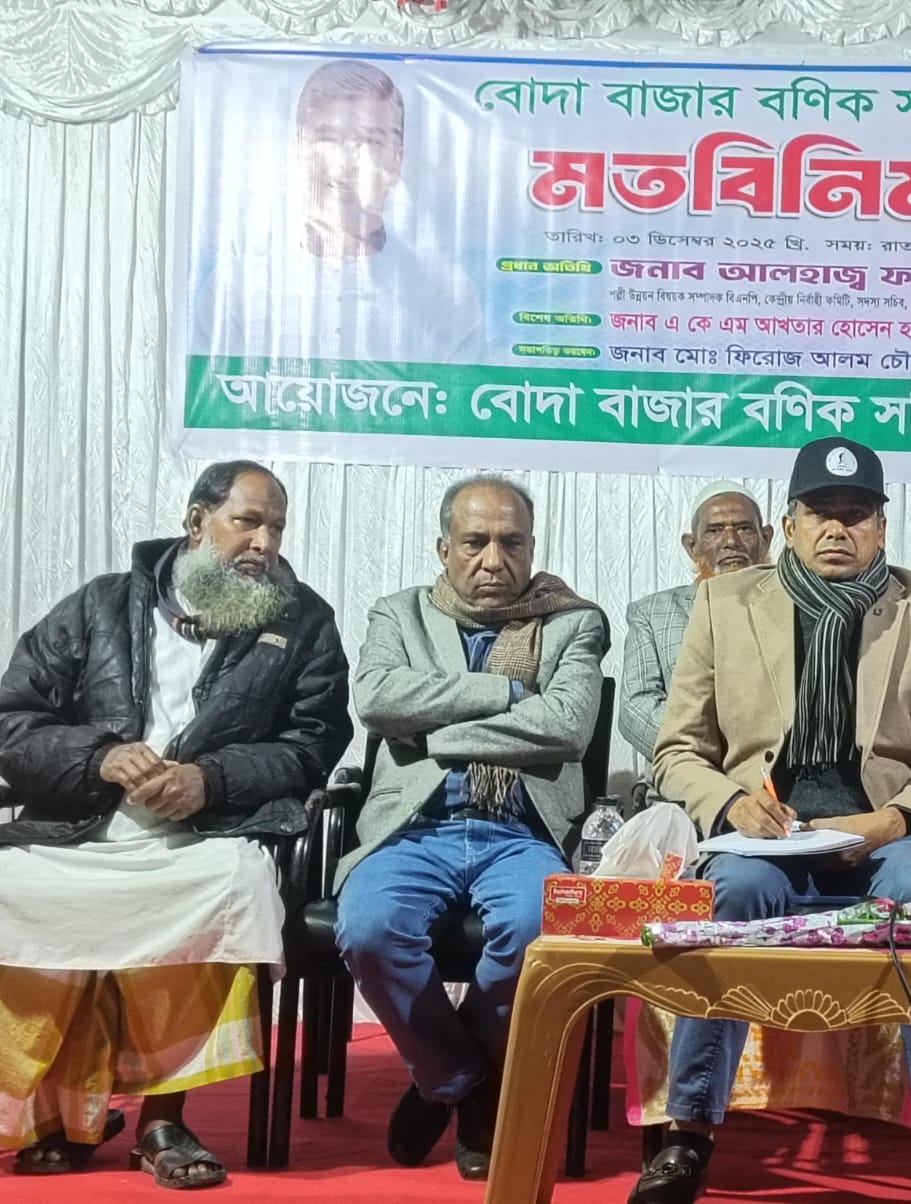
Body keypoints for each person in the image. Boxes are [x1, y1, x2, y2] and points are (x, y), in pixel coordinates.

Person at [636, 437, 911, 1204]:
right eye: (820, 513)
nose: (837, 529)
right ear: (789, 524)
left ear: (881, 527)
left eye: (855, 514)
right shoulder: (725, 603)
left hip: (884, 837)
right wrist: (732, 804)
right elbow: (677, 750)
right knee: (730, 896)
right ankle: (688, 1133)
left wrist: (891, 821)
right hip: (762, 838)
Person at [0, 461, 352, 1189]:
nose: (264, 543)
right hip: (79, 827)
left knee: (233, 888)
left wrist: (210, 780)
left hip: (205, 833)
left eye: (276, 528)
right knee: (11, 890)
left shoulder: (303, 620)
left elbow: (313, 745)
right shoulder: (99, 606)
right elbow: (13, 720)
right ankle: (59, 1116)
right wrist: (98, 757)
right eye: (247, 522)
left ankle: (163, 1118)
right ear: (196, 522)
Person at [334, 475, 607, 1181]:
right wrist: (507, 693)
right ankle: (464, 1082)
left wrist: (436, 735)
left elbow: (567, 727)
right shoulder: (399, 614)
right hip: (413, 826)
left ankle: (445, 1080)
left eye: (511, 543)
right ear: (443, 548)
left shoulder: (573, 622)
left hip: (519, 830)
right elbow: (380, 700)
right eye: (475, 542)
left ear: (532, 548)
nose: (493, 560)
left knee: (539, 930)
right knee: (370, 929)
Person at [192, 58, 484, 364]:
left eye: (370, 142)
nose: (345, 164)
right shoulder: (236, 288)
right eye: (328, 140)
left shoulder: (446, 296)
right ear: (299, 150)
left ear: (397, 161)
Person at [619, 483, 772, 761]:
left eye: (744, 529)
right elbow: (636, 708)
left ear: (766, 537)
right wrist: (703, 759)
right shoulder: (653, 613)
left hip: (774, 773)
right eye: (714, 531)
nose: (731, 541)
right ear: (692, 545)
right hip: (686, 775)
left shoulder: (792, 606)